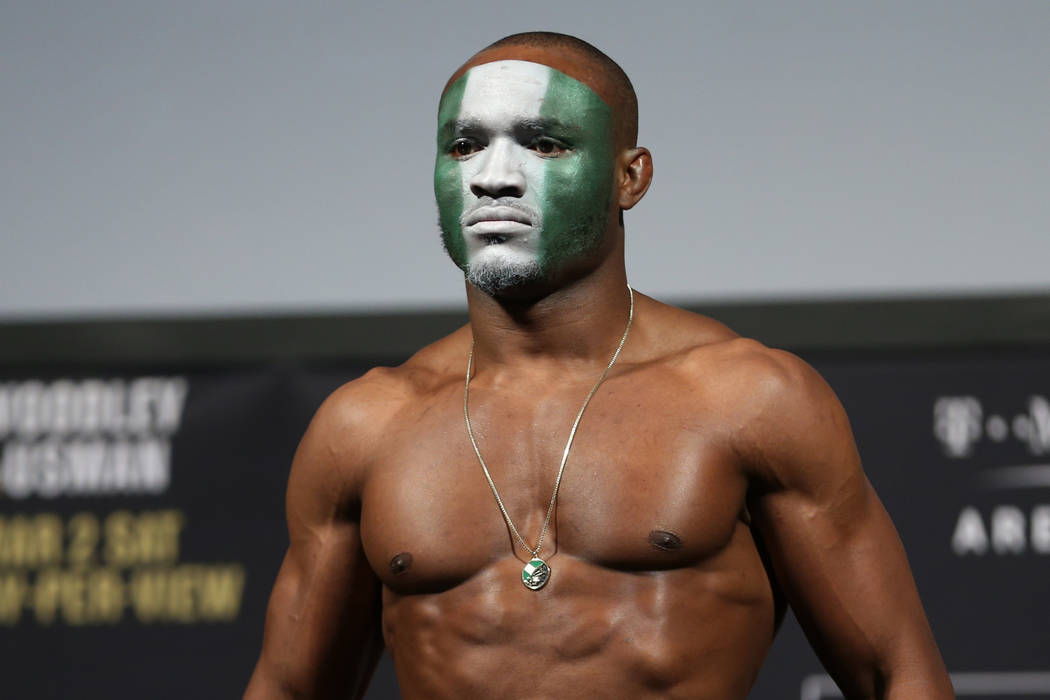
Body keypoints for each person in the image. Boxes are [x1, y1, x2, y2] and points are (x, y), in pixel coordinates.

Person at [244, 32, 953, 699]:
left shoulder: (747, 399)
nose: (494, 178)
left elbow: (899, 675)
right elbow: (289, 688)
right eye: (465, 146)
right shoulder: (366, 426)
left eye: (544, 144)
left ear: (630, 177)